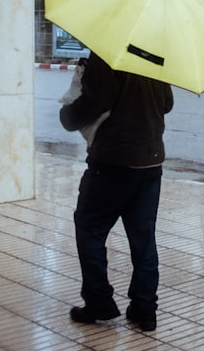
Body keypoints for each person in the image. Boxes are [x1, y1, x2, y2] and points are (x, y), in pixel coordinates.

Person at [60, 51, 174, 332]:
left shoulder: (107, 52)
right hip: (150, 160)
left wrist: (68, 115)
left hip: (112, 160)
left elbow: (97, 100)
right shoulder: (155, 54)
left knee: (89, 227)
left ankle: (99, 300)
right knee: (143, 238)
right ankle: (145, 309)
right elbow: (167, 104)